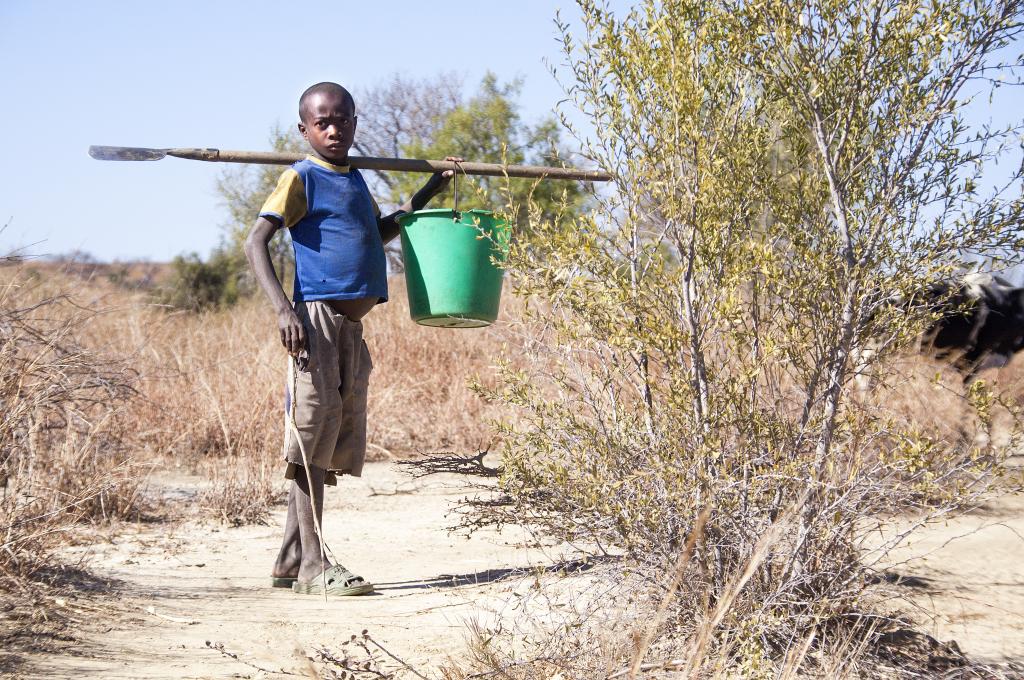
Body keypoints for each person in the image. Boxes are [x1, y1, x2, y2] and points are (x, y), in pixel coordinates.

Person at [245, 81, 457, 595]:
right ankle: (316, 568)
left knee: (328, 437)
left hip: (350, 330)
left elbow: (376, 233)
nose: (334, 129)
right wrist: (282, 310)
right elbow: (256, 241)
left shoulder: (355, 179)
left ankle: (291, 558)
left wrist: (431, 191)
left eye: (343, 120)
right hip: (313, 322)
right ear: (305, 129)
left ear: (356, 123)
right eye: (322, 122)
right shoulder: (301, 178)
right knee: (310, 437)